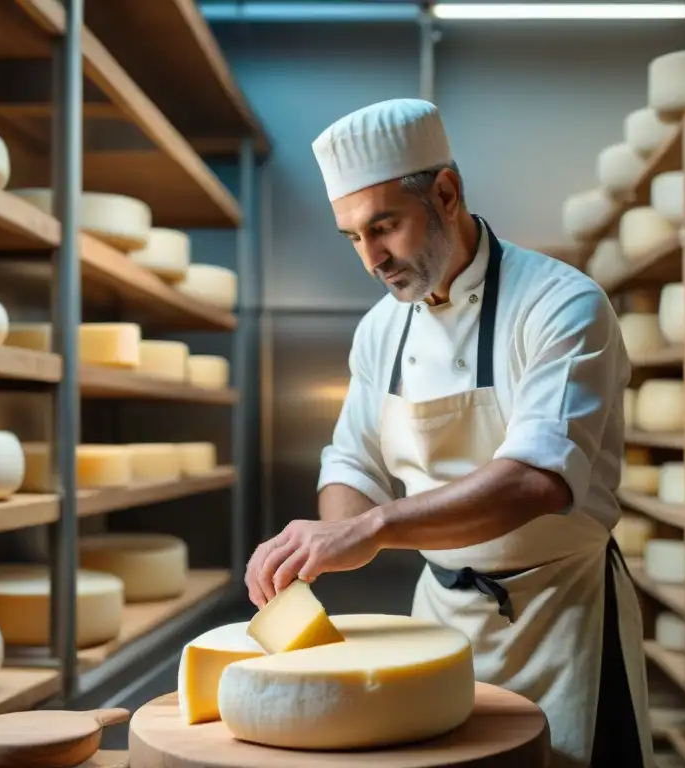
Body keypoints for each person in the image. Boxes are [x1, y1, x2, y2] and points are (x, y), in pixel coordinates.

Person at [244, 98, 653, 768]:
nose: (372, 258)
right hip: (437, 622)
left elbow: (533, 481)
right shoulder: (382, 327)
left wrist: (370, 532)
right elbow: (354, 461)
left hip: (561, 619)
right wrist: (326, 545)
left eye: (385, 227)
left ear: (446, 192)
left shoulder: (562, 305)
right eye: (352, 237)